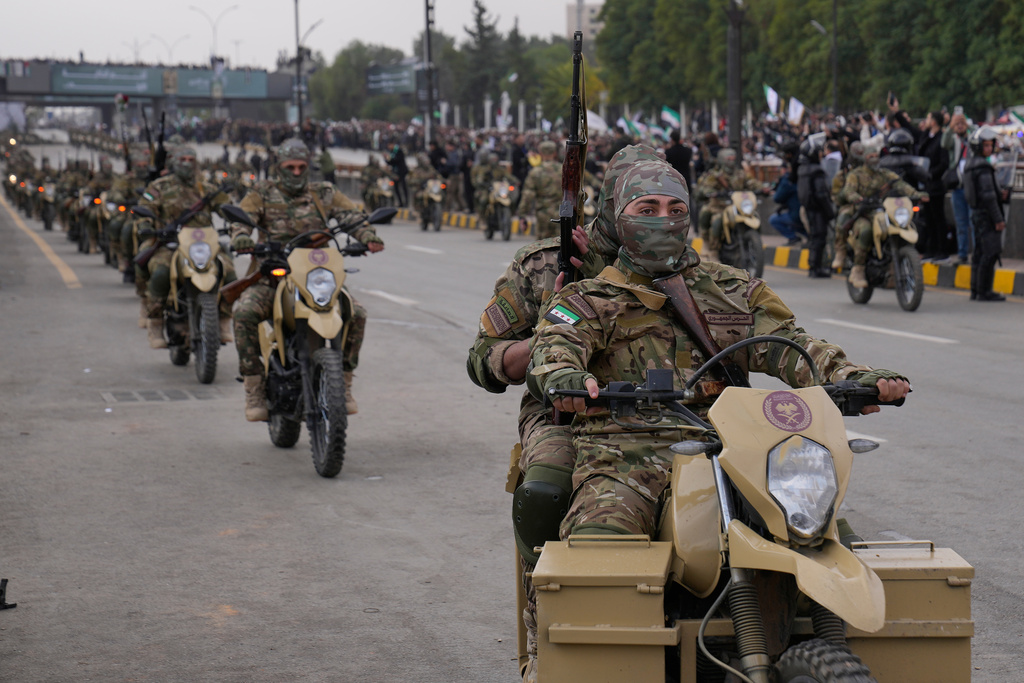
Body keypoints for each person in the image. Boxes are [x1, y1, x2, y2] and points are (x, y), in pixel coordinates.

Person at [527, 159, 911, 547]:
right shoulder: (588, 298)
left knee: (830, 543)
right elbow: (555, 347)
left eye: (675, 210)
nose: (664, 220)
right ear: (620, 220)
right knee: (599, 550)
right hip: (624, 457)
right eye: (647, 210)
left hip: (734, 451)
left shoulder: (735, 289)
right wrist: (567, 378)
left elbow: (793, 347)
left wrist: (850, 377)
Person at [469, 145, 662, 683]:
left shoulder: (676, 265)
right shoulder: (543, 264)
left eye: (666, 203)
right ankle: (547, 612)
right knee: (552, 481)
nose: (658, 217)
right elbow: (482, 358)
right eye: (642, 204)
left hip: (670, 411)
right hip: (567, 414)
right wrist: (548, 338)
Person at [229, 139, 385, 421]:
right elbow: (242, 218)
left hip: (317, 277)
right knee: (244, 313)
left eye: (302, 167)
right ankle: (253, 387)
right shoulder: (262, 192)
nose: (297, 172)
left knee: (357, 314)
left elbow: (351, 216)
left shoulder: (324, 192)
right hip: (272, 278)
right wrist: (241, 236)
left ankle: (344, 384)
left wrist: (368, 236)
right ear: (279, 167)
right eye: (291, 167)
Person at [136, 145, 236, 349]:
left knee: (229, 273)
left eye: (191, 160)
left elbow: (226, 208)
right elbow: (144, 209)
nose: (187, 164)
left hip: (203, 245)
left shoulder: (206, 188)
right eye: (183, 160)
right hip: (170, 243)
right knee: (161, 273)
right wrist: (146, 225)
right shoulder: (159, 186)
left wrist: (236, 222)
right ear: (174, 162)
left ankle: (224, 320)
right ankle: (155, 322)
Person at [839, 145, 927, 288]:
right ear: (865, 159)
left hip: (881, 211)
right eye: (870, 157)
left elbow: (900, 184)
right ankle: (858, 269)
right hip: (864, 213)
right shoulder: (856, 174)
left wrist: (916, 194)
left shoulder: (884, 174)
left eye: (876, 156)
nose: (874, 159)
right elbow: (848, 189)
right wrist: (855, 197)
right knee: (866, 231)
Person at [963, 126, 1009, 302]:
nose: (989, 149)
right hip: (986, 215)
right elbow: (988, 196)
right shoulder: (983, 167)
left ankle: (976, 290)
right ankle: (984, 291)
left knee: (979, 252)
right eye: (986, 146)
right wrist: (998, 219)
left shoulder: (971, 166)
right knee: (989, 253)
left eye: (991, 145)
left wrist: (1001, 193)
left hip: (977, 213)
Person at [695, 148, 766, 261]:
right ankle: (713, 251)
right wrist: (711, 192)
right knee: (717, 221)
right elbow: (705, 187)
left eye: (733, 159)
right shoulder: (714, 175)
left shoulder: (741, 174)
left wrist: (763, 189)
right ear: (722, 160)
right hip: (719, 206)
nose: (731, 161)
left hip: (738, 206)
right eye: (728, 159)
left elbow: (751, 183)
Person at [797, 138, 835, 278]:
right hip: (818, 210)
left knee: (814, 237)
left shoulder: (803, 169)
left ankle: (814, 266)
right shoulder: (816, 171)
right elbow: (821, 194)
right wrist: (829, 212)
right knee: (819, 237)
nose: (821, 154)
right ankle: (816, 267)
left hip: (809, 209)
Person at [915, 111, 951, 260]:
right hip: (925, 186)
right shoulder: (927, 137)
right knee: (928, 218)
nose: (926, 121)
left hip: (935, 185)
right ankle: (931, 249)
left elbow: (943, 163)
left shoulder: (941, 139)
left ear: (934, 121)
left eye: (929, 118)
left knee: (938, 219)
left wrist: (930, 174)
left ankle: (942, 250)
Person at [941, 113, 974, 265]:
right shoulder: (952, 139)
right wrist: (950, 125)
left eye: (962, 124)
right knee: (961, 223)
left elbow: (977, 134)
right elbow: (944, 143)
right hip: (958, 187)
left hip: (972, 186)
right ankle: (962, 253)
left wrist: (968, 124)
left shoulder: (971, 138)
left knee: (975, 222)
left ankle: (977, 253)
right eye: (958, 124)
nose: (960, 126)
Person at [830, 141, 865, 269]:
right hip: (850, 206)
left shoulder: (870, 170)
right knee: (842, 221)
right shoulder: (843, 174)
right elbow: (836, 197)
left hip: (869, 205)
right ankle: (841, 251)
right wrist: (846, 194)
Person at [518, 141, 562, 240]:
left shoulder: (535, 172)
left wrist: (522, 216)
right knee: (561, 247)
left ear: (540, 153)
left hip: (543, 215)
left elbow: (528, 195)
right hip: (562, 215)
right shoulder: (564, 170)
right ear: (555, 153)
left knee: (543, 249)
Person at [472, 152, 516, 228]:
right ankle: (482, 218)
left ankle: (511, 215)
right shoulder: (485, 170)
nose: (494, 161)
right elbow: (480, 178)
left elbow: (508, 176)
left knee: (512, 199)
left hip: (498, 189)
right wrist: (482, 183)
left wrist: (515, 181)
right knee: (484, 200)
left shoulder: (500, 169)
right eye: (492, 160)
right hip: (488, 189)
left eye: (495, 160)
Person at [769, 159, 806, 247]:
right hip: (805, 213)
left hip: (796, 215)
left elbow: (777, 198)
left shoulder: (787, 179)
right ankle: (809, 237)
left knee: (773, 220)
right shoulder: (801, 176)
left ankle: (793, 237)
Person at [408, 152, 443, 230]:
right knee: (418, 196)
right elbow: (410, 180)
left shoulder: (431, 169)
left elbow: (438, 176)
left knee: (442, 192)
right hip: (421, 189)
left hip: (431, 190)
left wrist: (444, 181)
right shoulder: (416, 170)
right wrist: (417, 182)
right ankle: (419, 212)